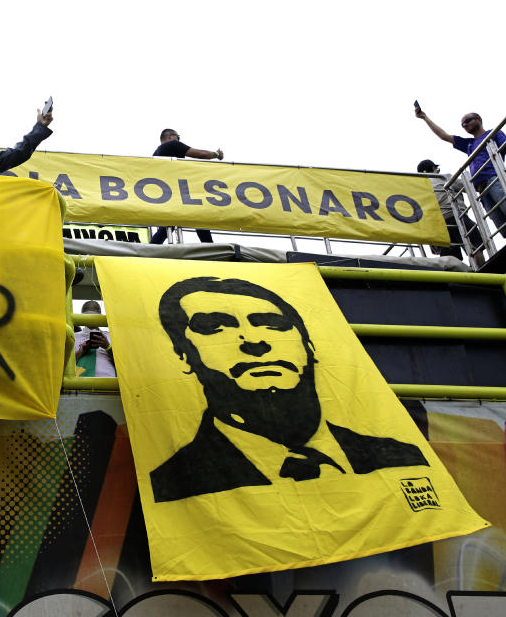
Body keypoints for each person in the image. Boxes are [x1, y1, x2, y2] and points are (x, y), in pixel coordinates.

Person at [150, 277, 428, 502]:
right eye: (215, 327)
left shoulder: (405, 458)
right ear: (183, 355)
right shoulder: (168, 484)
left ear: (309, 346)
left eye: (273, 324)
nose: (255, 340)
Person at [415, 107, 506, 230]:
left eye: (467, 121)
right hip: (481, 188)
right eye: (463, 124)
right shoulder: (469, 143)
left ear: (478, 119)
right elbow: (444, 136)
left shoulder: (493, 133)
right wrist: (425, 118)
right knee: (500, 224)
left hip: (494, 179)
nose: (465, 125)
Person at [150, 128, 223, 244]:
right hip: (179, 191)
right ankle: (210, 247)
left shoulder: (156, 153)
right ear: (169, 136)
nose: (178, 139)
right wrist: (216, 154)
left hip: (165, 193)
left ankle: (151, 248)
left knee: (169, 225)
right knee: (198, 218)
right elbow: (199, 154)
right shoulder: (172, 144)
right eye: (178, 137)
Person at [417, 159, 484, 265]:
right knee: (475, 248)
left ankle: (458, 280)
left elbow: (422, 213)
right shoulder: (444, 177)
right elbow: (467, 185)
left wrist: (430, 241)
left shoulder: (419, 188)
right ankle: (482, 271)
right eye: (436, 168)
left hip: (438, 225)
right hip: (457, 216)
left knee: (450, 259)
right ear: (433, 168)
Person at [74, 301, 115, 377]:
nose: (91, 320)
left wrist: (107, 347)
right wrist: (81, 351)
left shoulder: (111, 336)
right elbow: (65, 366)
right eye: (88, 317)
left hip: (108, 384)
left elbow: (122, 365)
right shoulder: (73, 337)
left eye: (94, 317)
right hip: (79, 385)